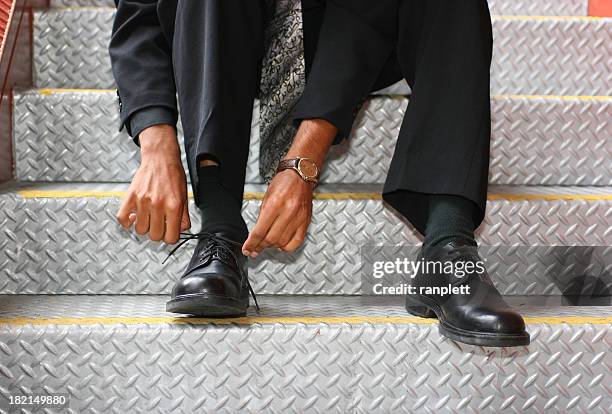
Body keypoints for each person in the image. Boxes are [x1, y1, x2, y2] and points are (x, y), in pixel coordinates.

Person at [110, 0, 530, 347]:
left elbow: (362, 13)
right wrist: (157, 143)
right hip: (216, 29)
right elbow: (140, 13)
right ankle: (219, 231)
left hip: (344, 22)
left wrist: (303, 161)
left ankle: (447, 248)